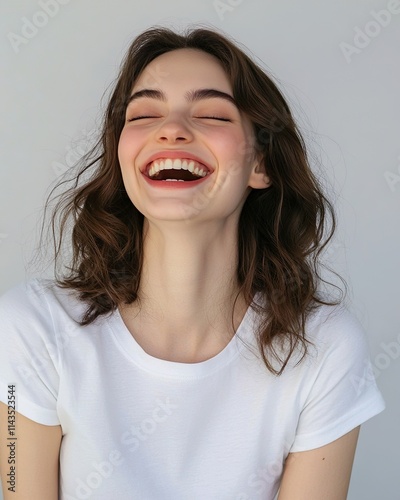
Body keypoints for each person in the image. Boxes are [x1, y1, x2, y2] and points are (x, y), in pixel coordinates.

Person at [0, 26, 385, 500]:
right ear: (122, 155)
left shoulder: (324, 348)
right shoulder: (30, 328)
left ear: (260, 165)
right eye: (144, 113)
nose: (172, 129)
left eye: (211, 114)